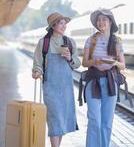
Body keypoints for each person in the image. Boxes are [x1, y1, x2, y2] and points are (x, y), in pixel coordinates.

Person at [32, 12, 81, 147]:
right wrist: (37, 72)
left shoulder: (70, 42)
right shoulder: (44, 43)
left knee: (61, 121)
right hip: (50, 87)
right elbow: (38, 63)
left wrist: (70, 58)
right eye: (61, 23)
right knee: (54, 119)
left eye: (65, 23)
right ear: (53, 26)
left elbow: (77, 63)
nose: (64, 26)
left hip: (66, 88)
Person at [82, 8, 125, 147]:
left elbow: (122, 65)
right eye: (98, 20)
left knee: (106, 122)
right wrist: (95, 61)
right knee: (94, 119)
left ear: (110, 22)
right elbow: (84, 62)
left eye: (104, 20)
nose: (101, 22)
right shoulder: (91, 40)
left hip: (110, 81)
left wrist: (114, 63)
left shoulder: (117, 41)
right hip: (93, 80)